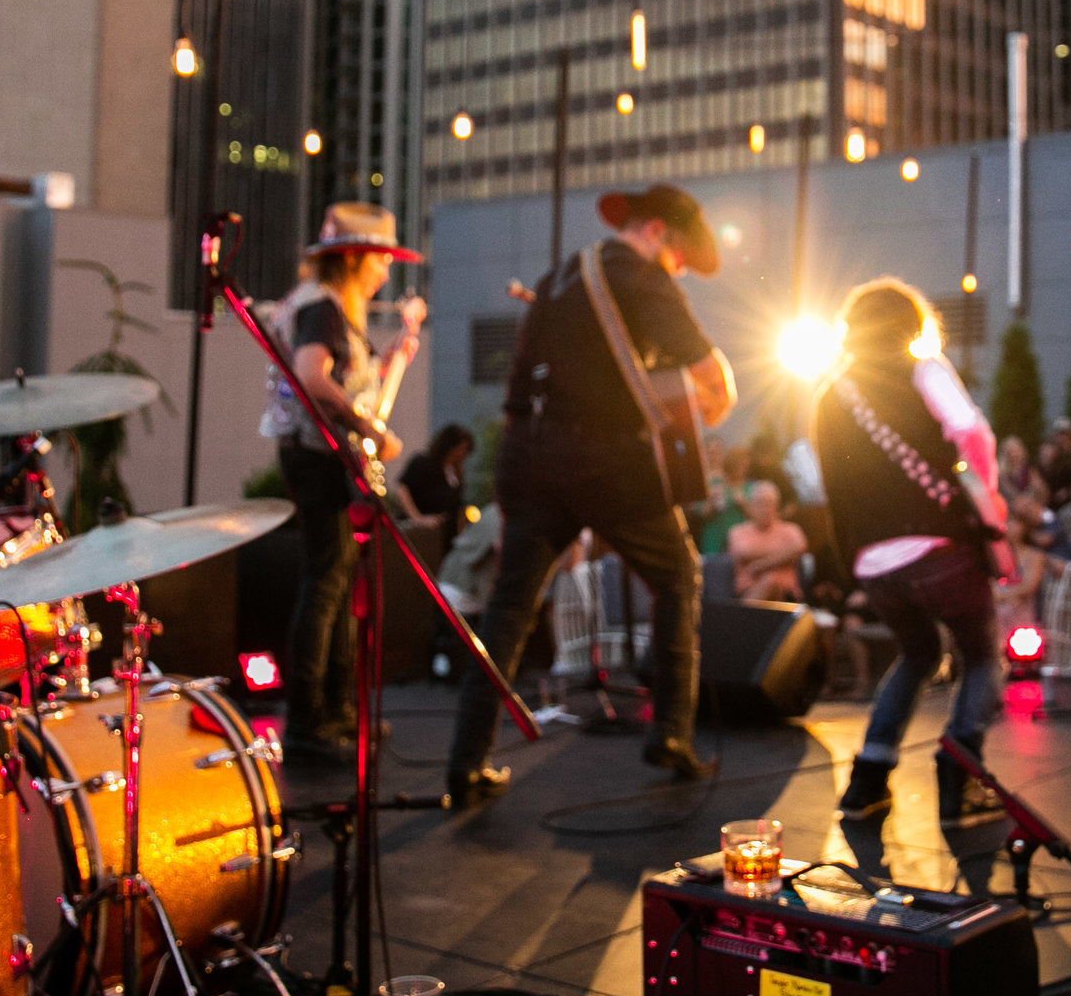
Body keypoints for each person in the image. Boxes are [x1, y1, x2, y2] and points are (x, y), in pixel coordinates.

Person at [444, 186, 735, 804]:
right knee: (678, 576)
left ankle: (465, 761)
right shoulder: (642, 277)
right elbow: (712, 375)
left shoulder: (557, 278)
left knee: (509, 608)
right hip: (607, 458)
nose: (678, 268)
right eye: (679, 255)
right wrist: (713, 404)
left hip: (529, 453)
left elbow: (520, 383)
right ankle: (670, 736)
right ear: (657, 231)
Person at [819, 279, 1009, 826]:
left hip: (873, 563)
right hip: (937, 548)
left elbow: (830, 487)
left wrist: (853, 559)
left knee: (919, 653)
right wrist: (984, 492)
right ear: (912, 324)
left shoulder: (830, 394)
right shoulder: (922, 368)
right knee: (980, 656)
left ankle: (867, 781)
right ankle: (960, 775)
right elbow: (971, 429)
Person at [261, 201, 419, 766]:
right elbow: (311, 375)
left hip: (323, 456)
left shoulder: (328, 308)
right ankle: (309, 722)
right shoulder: (322, 308)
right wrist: (367, 425)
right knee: (325, 586)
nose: (384, 273)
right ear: (354, 259)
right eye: (378, 260)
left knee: (335, 584)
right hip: (318, 458)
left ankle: (337, 714)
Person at [394, 423, 476, 558]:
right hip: (423, 538)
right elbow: (403, 489)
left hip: (447, 541)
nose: (462, 454)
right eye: (460, 449)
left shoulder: (455, 474)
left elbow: (458, 508)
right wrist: (417, 518)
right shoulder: (423, 463)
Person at [726, 481, 808, 602]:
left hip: (787, 598)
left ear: (777, 506)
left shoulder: (791, 529)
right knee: (770, 582)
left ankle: (739, 618)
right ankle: (743, 615)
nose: (765, 509)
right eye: (760, 504)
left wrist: (760, 565)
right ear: (749, 507)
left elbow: (799, 547)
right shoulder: (737, 532)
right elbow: (743, 552)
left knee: (772, 582)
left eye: (770, 503)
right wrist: (784, 554)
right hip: (748, 592)